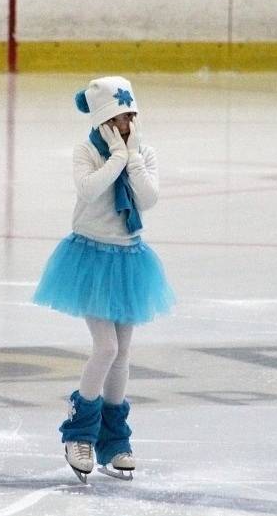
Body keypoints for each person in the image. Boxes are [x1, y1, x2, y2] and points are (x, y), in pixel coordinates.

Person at [33, 76, 175, 482]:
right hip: (90, 257)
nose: (127, 123)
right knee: (106, 347)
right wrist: (114, 158)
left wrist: (129, 157)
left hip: (129, 258)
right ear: (101, 120)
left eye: (131, 115)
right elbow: (90, 190)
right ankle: (78, 432)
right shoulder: (86, 152)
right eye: (118, 116)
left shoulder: (143, 151)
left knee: (123, 352)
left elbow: (148, 198)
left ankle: (114, 440)